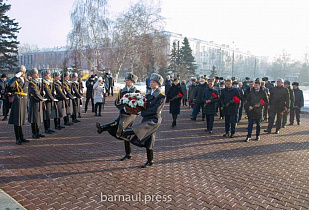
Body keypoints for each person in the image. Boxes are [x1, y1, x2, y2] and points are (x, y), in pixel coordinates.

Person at [119, 73, 166, 168]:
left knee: (140, 128)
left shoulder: (161, 96)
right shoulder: (148, 94)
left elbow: (155, 109)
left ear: (158, 84)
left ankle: (124, 132)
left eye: (153, 82)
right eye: (151, 81)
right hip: (146, 118)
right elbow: (144, 105)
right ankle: (150, 160)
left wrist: (142, 113)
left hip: (154, 119)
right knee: (149, 140)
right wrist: (134, 108)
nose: (151, 83)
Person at [96, 73, 140, 161]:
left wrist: (131, 107)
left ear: (133, 82)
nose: (126, 82)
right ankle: (128, 153)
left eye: (128, 81)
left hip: (131, 115)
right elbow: (116, 102)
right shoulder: (122, 91)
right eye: (126, 80)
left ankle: (104, 128)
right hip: (123, 112)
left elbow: (139, 103)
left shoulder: (136, 91)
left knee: (119, 126)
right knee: (121, 129)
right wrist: (123, 107)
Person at [8, 66, 30, 145]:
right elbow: (10, 86)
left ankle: (21, 136)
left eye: (23, 72)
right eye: (21, 72)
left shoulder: (25, 80)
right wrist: (15, 77)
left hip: (24, 100)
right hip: (18, 100)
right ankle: (17, 138)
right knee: (17, 120)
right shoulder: (16, 80)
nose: (23, 73)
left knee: (21, 120)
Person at [28, 68, 46, 139]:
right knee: (34, 118)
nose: (37, 75)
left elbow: (39, 91)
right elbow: (35, 92)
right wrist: (42, 98)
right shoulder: (31, 83)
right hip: (34, 101)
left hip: (38, 101)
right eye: (36, 73)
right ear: (32, 75)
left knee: (38, 118)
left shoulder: (37, 82)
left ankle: (37, 132)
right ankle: (34, 133)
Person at [42, 70, 56, 134]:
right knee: (46, 115)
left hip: (49, 100)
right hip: (46, 100)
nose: (49, 76)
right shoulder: (44, 83)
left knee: (49, 115)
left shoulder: (49, 82)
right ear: (45, 76)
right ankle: (46, 128)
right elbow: (47, 92)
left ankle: (49, 128)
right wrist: (53, 98)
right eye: (48, 75)